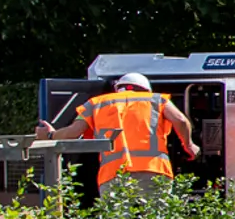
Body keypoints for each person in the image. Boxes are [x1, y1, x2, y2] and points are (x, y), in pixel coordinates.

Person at [38, 73, 200, 192]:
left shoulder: (96, 103)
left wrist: (50, 135)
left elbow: (73, 132)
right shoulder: (157, 100)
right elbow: (180, 120)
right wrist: (189, 145)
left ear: (117, 89)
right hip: (154, 171)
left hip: (113, 173)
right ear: (146, 89)